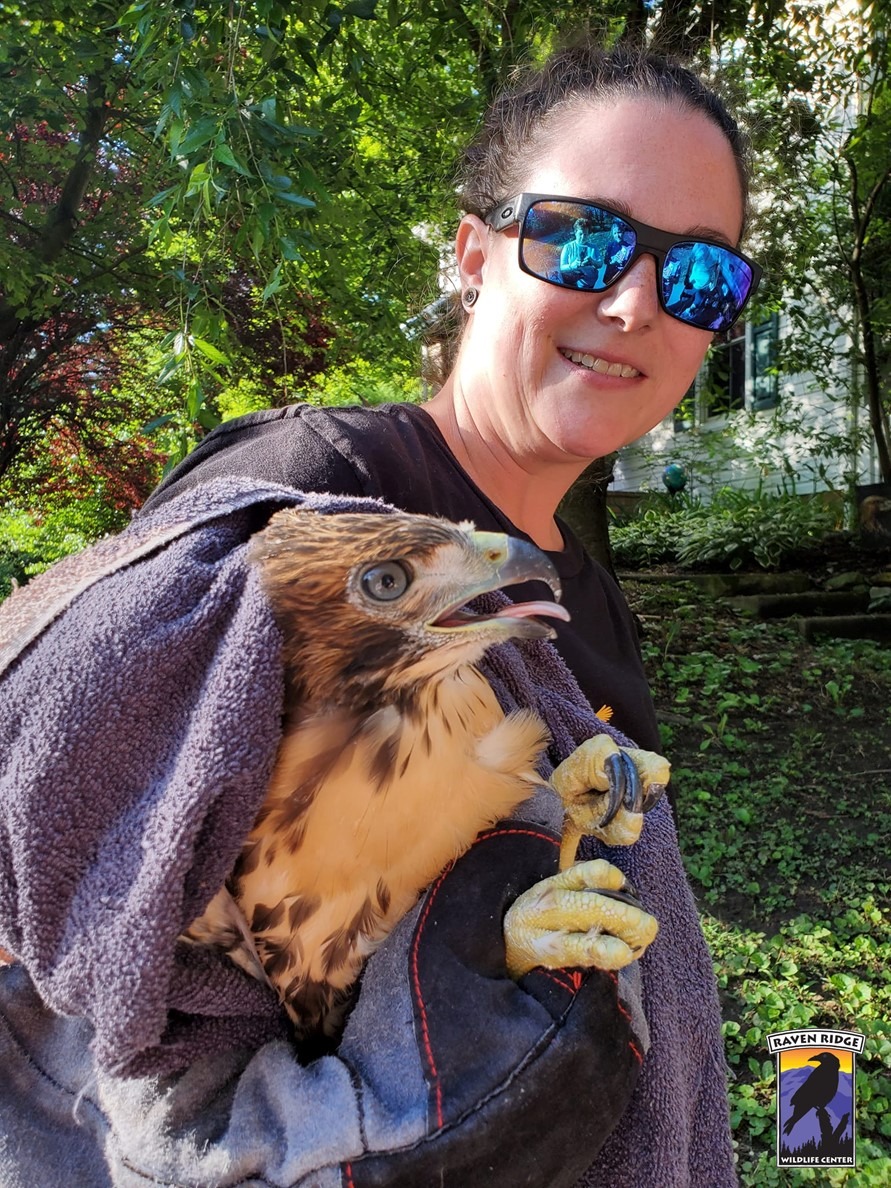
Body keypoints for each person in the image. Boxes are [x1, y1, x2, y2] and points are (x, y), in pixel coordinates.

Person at [0, 41, 759, 1188]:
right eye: (582, 235)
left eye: (700, 276)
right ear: (472, 255)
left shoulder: (579, 590)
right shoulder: (311, 495)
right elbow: (71, 857)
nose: (633, 300)